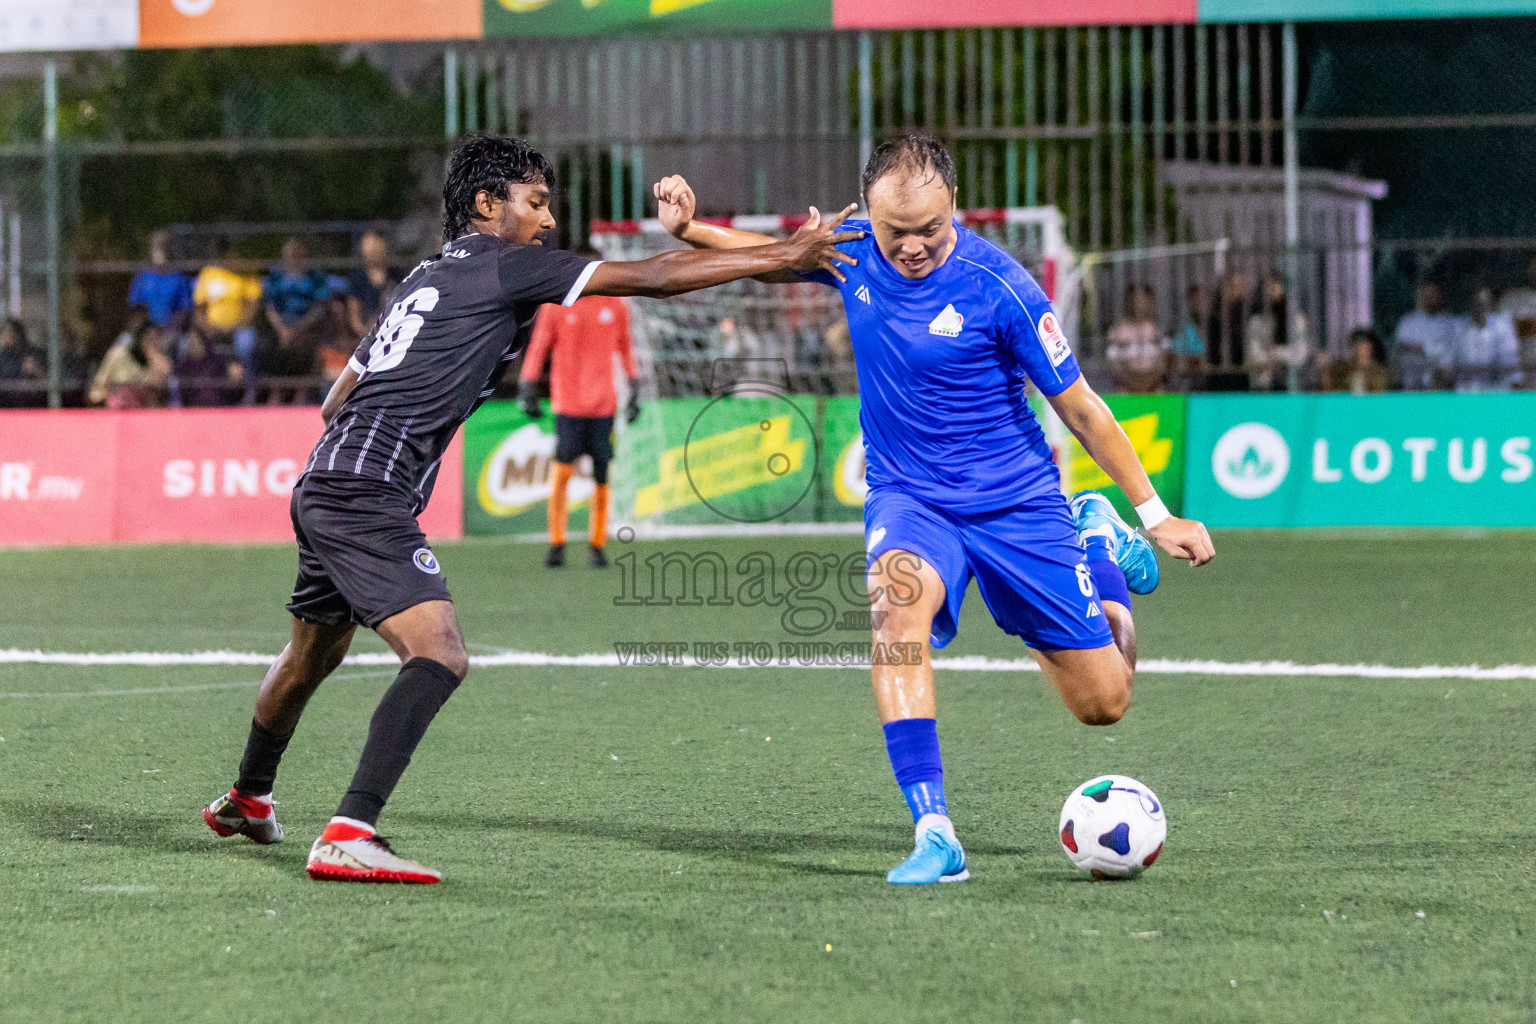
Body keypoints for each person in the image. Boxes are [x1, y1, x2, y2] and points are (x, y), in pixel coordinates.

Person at [200, 133, 859, 884]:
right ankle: (350, 830)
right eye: (536, 203)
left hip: (326, 477)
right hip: (368, 489)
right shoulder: (505, 264)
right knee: (439, 652)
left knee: (312, 654)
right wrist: (781, 256)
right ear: (488, 205)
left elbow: (332, 401)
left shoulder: (420, 278)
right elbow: (657, 276)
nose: (548, 222)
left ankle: (249, 798)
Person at [654, 134, 1214, 886]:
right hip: (911, 499)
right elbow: (768, 252)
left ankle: (1098, 537)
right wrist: (690, 229)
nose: (914, 247)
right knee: (894, 615)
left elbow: (1080, 406)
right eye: (897, 232)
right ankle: (934, 830)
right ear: (868, 217)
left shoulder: (1002, 285)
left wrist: (1154, 515)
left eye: (931, 230)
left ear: (954, 207)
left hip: (1017, 503)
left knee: (1105, 704)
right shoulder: (848, 251)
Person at [517, 255, 639, 569]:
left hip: (603, 407)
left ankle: (597, 544)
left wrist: (635, 387)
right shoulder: (556, 306)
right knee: (562, 473)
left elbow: (626, 349)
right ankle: (557, 542)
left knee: (601, 475)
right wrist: (527, 383)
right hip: (568, 405)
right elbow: (539, 345)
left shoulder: (615, 307)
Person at [259, 237, 331, 404]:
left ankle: (301, 391)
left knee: (306, 346)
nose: (291, 259)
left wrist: (297, 329)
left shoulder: (315, 276)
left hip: (307, 327)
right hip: (280, 328)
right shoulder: (276, 275)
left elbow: (320, 308)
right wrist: (282, 329)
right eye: (287, 255)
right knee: (267, 345)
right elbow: (269, 306)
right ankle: (277, 391)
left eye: (295, 255)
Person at [193, 238, 262, 402]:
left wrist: (238, 326)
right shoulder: (208, 274)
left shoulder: (245, 272)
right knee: (191, 347)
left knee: (246, 344)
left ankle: (250, 395)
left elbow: (253, 305)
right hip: (212, 330)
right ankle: (202, 396)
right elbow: (199, 309)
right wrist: (209, 329)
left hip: (240, 328)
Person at [88, 306, 171, 409]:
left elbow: (163, 386)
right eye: (147, 339)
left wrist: (151, 354)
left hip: (146, 415)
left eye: (154, 339)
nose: (150, 343)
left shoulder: (159, 360)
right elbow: (97, 390)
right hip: (118, 414)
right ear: (138, 338)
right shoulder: (118, 354)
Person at [1449, 285, 1521, 392]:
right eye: (1476, 303)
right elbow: (1449, 365)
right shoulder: (1458, 328)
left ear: (1490, 304)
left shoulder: (1503, 326)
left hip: (1496, 392)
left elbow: (1510, 363)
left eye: (1483, 304)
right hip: (1466, 394)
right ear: (1470, 304)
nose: (1479, 308)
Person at [1103, 282, 1167, 392]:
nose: (1139, 304)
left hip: (1155, 387)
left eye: (1143, 300)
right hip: (1125, 388)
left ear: (1150, 301)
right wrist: (1132, 382)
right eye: (1135, 300)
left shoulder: (1159, 330)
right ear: (1128, 302)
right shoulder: (1117, 331)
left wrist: (1149, 382)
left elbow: (1164, 361)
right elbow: (1114, 364)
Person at [1394, 280, 1455, 391]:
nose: (1430, 298)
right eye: (1427, 294)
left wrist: (1422, 349)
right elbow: (1403, 345)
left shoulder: (1448, 323)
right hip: (1413, 384)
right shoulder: (1409, 321)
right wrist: (1425, 350)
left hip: (1441, 383)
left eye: (1434, 294)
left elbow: (1448, 350)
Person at [127, 230, 193, 329]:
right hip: (145, 329)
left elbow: (185, 309)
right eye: (155, 247)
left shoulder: (180, 277)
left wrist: (171, 328)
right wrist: (147, 326)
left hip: (173, 330)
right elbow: (135, 306)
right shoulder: (143, 275)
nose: (158, 252)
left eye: (162, 247)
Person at [346, 231, 400, 339]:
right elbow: (353, 313)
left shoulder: (396, 275)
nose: (373, 250)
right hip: (367, 334)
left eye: (376, 243)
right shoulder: (357, 278)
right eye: (368, 245)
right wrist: (365, 334)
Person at [1205, 268, 1251, 391]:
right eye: (1235, 286)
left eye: (1241, 285)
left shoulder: (1247, 313)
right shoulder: (1216, 317)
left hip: (1241, 374)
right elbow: (1212, 350)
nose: (1240, 290)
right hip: (1219, 376)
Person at [1324, 327, 1390, 394]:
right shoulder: (1341, 367)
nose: (1359, 349)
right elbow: (1329, 388)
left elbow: (1380, 393)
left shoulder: (1378, 371)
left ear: (1370, 347)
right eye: (1356, 345)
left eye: (1363, 345)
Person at [1168, 283, 1207, 391]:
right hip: (1191, 377)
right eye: (1194, 300)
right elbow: (1176, 355)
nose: (1198, 304)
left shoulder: (1219, 327)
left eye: (1201, 300)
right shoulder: (1185, 328)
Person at [0, 318, 44, 407]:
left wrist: (36, 369)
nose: (8, 335)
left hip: (29, 399)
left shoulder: (31, 351)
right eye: (6, 331)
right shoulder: (3, 354)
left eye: (11, 331)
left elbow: (46, 378)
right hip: (6, 399)